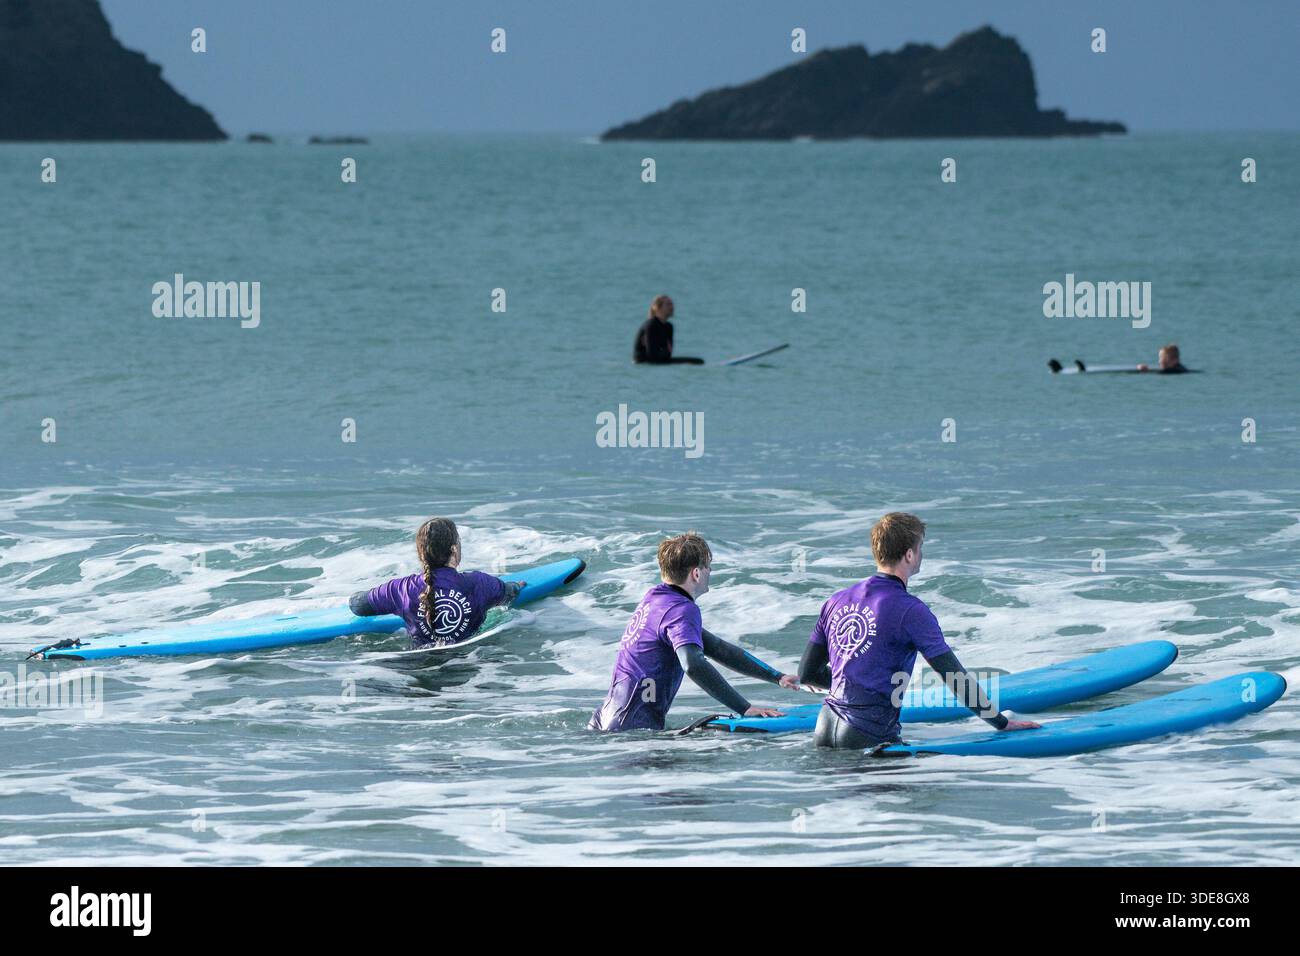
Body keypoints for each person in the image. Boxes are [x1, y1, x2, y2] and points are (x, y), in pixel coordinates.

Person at [798, 513, 1039, 750]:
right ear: (910, 555)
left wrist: (855, 687)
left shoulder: (836, 601)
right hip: (867, 733)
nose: (921, 554)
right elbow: (954, 676)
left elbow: (807, 673)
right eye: (920, 547)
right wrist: (1000, 723)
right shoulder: (910, 610)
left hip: (824, 727)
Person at [589, 531, 797, 731]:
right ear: (696, 573)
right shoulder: (682, 609)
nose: (710, 572)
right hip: (632, 728)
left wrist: (777, 677)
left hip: (607, 719)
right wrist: (744, 708)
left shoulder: (655, 600)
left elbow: (717, 648)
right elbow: (692, 663)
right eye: (708, 567)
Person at [349, 517, 525, 649]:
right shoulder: (480, 583)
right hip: (468, 662)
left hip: (418, 667)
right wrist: (518, 585)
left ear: (421, 554)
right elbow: (509, 593)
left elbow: (358, 606)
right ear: (454, 550)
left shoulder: (401, 589)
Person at [632, 294, 703, 365]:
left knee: (699, 361)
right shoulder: (651, 325)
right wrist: (664, 353)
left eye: (672, 304)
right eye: (668, 304)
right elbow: (652, 355)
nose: (672, 307)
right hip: (643, 362)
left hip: (661, 360)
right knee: (695, 362)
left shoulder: (669, 327)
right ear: (657, 308)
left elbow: (669, 353)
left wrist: (663, 353)